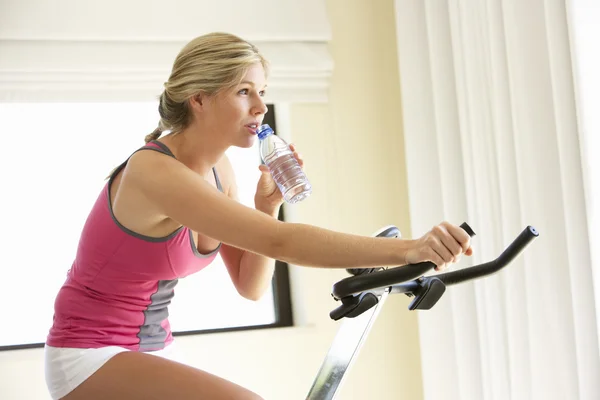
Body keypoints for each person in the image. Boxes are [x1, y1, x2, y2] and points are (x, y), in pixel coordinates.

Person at [43, 32, 473, 400]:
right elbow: (279, 242)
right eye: (244, 91)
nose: (261, 107)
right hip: (89, 352)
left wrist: (267, 207)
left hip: (150, 350)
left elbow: (250, 285)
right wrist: (410, 248)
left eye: (262, 92)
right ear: (199, 99)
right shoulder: (152, 171)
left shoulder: (220, 172)